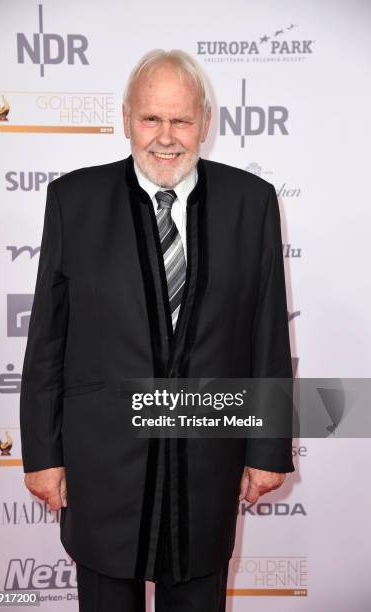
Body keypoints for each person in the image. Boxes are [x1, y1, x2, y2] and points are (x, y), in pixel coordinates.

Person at [20, 49, 294, 611]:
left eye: (181, 119)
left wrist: (267, 448)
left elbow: (267, 333)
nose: (165, 136)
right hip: (102, 463)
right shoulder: (74, 200)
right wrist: (42, 455)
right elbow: (48, 339)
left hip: (205, 464)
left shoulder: (252, 203)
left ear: (205, 124)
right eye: (150, 118)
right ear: (126, 119)